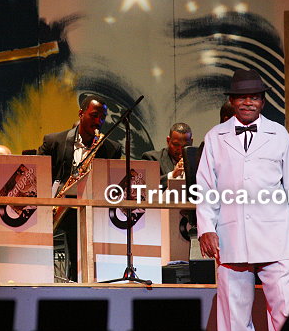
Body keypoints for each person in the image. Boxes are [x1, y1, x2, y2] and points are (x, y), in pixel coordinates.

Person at [196, 69, 289, 331]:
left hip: (276, 235)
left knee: (286, 312)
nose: (248, 102)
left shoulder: (279, 134)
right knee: (233, 317)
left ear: (263, 101)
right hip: (232, 235)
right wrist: (206, 228)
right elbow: (206, 188)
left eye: (255, 97)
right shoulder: (215, 136)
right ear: (231, 101)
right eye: (242, 97)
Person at [38, 95, 122, 281]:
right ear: (81, 113)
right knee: (74, 222)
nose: (98, 122)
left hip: (95, 210)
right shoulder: (54, 141)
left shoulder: (111, 148)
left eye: (102, 117)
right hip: (58, 208)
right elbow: (38, 175)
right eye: (94, 115)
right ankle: (74, 279)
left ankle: (91, 278)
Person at [141, 122, 193, 187]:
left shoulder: (198, 161)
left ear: (191, 142)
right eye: (176, 145)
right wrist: (172, 175)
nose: (180, 150)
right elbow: (147, 185)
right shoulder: (152, 158)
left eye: (185, 145)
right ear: (168, 141)